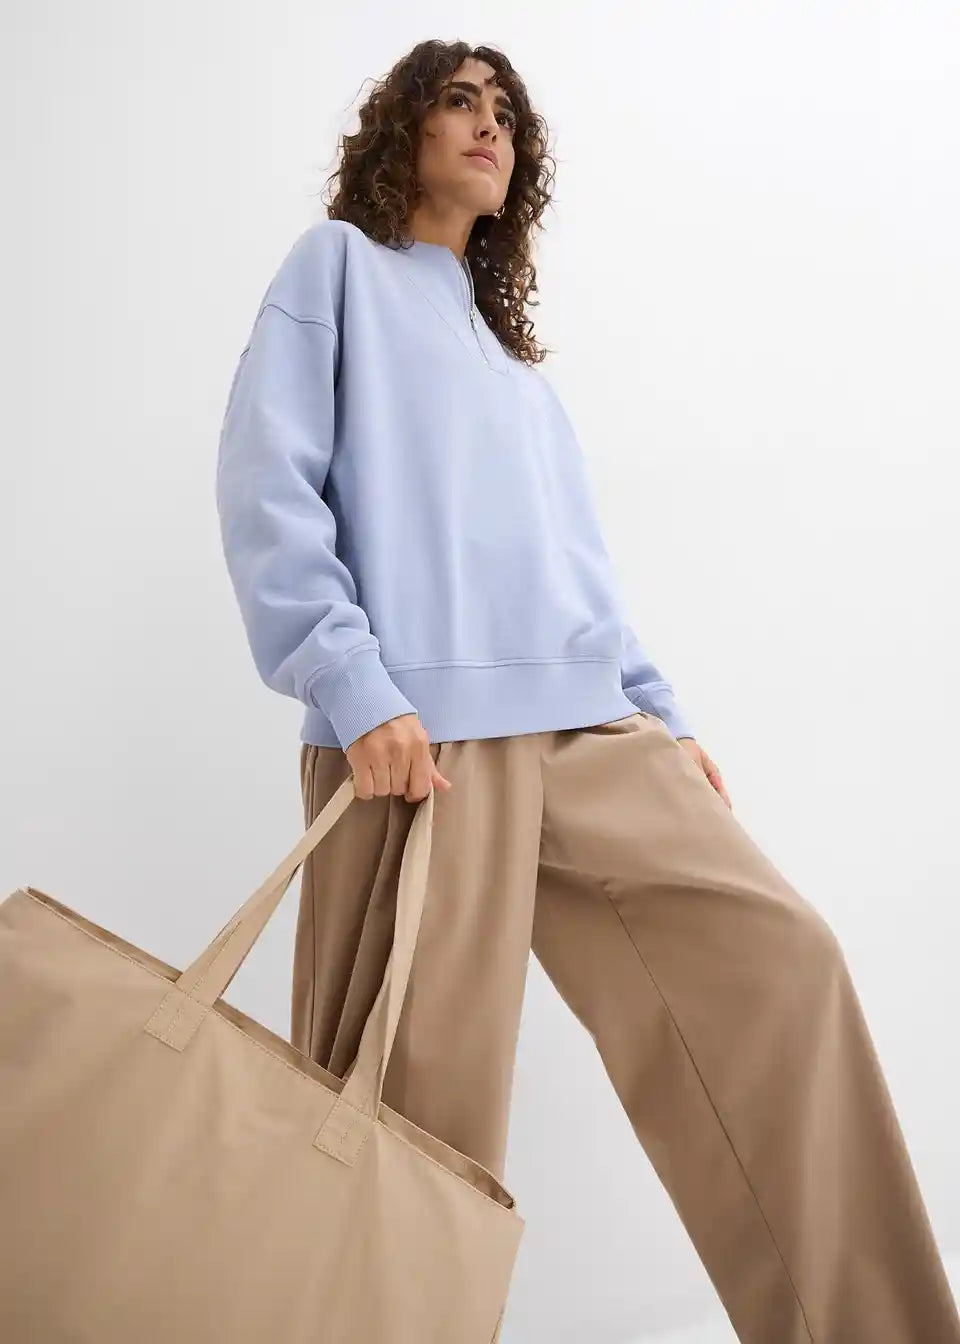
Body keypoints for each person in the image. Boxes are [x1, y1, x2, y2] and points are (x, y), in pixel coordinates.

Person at [214, 38, 960, 1343]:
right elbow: (266, 487)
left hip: (581, 722)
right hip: (422, 740)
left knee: (784, 963)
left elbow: (572, 568)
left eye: (507, 113)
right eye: (460, 102)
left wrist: (659, 717)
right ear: (404, 129)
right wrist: (352, 682)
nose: (490, 127)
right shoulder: (335, 271)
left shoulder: (514, 363)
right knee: (415, 1121)